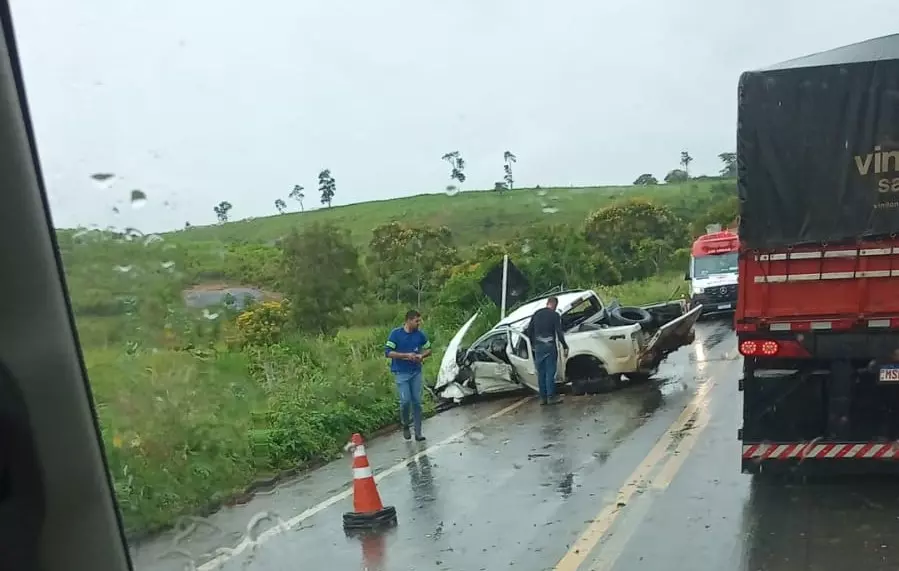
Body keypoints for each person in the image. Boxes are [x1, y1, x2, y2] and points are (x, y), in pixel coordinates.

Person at [385, 310, 432, 441]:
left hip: (416, 371)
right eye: (416, 321)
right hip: (401, 372)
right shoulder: (396, 334)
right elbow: (388, 352)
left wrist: (421, 355)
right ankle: (405, 424)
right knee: (405, 401)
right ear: (409, 321)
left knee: (417, 401)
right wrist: (406, 355)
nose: (419, 323)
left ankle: (418, 432)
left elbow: (429, 349)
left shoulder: (420, 335)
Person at [523, 296, 569, 405]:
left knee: (541, 373)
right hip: (549, 347)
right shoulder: (555, 315)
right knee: (550, 372)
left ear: (547, 303)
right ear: (555, 305)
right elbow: (559, 332)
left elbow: (529, 331)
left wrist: (533, 344)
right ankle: (551, 397)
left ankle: (543, 398)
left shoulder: (536, 314)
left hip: (539, 347)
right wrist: (565, 345)